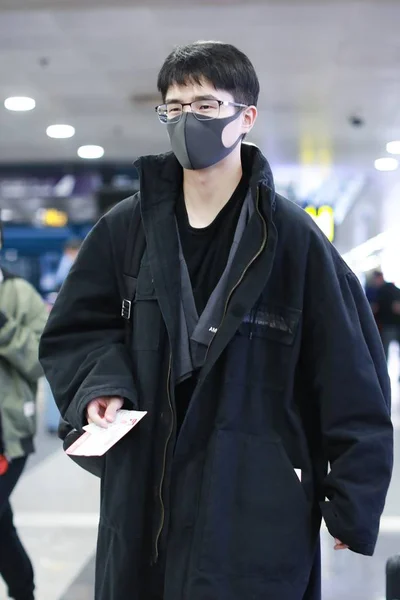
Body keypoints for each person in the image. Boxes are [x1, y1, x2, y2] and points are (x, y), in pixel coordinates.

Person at [39, 41, 393, 600]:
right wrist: (97, 388)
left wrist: (352, 493)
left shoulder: (292, 239)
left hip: (251, 489)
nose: (187, 121)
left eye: (205, 105)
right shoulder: (124, 230)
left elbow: (350, 366)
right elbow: (78, 328)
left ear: (246, 117)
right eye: (174, 108)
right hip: (145, 496)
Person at [0, 219, 48, 600]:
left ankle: (23, 589)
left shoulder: (20, 294)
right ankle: (23, 589)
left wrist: (3, 328)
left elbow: (41, 360)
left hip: (7, 437)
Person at [369, 270, 400, 360]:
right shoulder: (394, 288)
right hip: (396, 324)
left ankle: (383, 372)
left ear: (379, 278)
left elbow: (376, 308)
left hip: (388, 326)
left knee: (384, 351)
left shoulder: (381, 291)